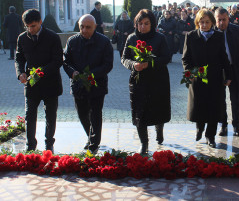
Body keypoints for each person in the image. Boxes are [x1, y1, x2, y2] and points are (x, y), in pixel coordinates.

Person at [122, 9, 171, 154]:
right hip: (139, 80)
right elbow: (124, 58)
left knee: (158, 108)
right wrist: (133, 65)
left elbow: (166, 57)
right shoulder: (131, 38)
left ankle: (159, 129)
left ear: (152, 24)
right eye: (140, 23)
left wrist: (150, 63)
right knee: (139, 112)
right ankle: (144, 143)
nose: (142, 26)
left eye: (146, 23)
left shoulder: (160, 38)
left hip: (158, 80)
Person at [63, 14, 114, 153]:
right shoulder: (72, 41)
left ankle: (94, 144)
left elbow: (108, 64)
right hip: (78, 84)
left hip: (97, 83)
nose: (84, 30)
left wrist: (92, 75)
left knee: (95, 113)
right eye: (81, 27)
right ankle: (90, 136)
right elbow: (66, 61)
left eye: (88, 27)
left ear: (95, 27)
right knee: (82, 113)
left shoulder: (104, 42)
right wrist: (72, 73)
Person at [182, 9, 232, 148]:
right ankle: (199, 128)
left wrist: (228, 75)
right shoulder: (191, 36)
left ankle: (211, 136)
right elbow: (185, 58)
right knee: (199, 105)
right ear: (198, 23)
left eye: (207, 22)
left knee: (214, 108)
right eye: (201, 22)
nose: (204, 25)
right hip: (198, 76)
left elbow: (224, 57)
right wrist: (189, 72)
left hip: (215, 77)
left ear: (212, 23)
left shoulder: (218, 36)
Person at [15, 9, 63, 152]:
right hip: (31, 84)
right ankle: (30, 146)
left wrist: (41, 72)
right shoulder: (22, 38)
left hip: (50, 83)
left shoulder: (53, 37)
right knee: (29, 115)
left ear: (40, 22)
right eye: (28, 27)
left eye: (34, 26)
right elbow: (19, 58)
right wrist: (20, 73)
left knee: (50, 115)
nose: (31, 29)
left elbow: (58, 61)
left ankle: (49, 144)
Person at [215, 8, 239, 137]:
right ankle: (223, 125)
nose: (222, 23)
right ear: (215, 20)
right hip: (219, 71)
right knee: (220, 100)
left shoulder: (237, 30)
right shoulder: (212, 32)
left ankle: (236, 126)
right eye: (219, 20)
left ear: (229, 18)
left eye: (224, 20)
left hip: (234, 69)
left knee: (236, 99)